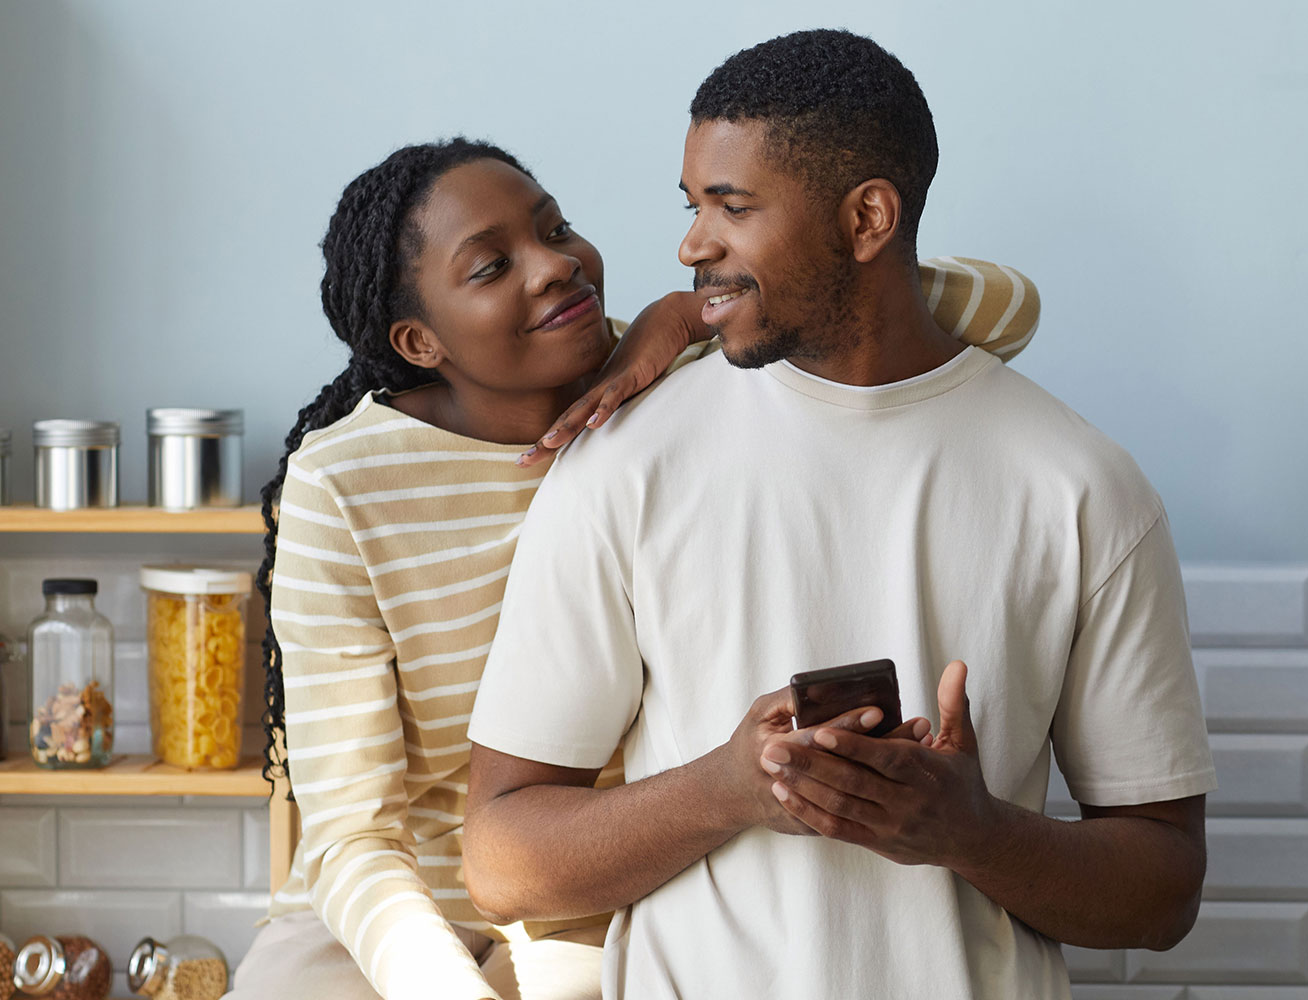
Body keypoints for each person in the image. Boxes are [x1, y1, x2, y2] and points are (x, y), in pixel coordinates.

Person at [463, 29, 1214, 999]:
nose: (692, 246)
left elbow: (1162, 892)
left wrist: (967, 831)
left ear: (866, 218)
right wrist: (726, 789)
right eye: (692, 207)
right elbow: (501, 860)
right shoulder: (622, 462)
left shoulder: (1081, 487)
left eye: (730, 208)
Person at [230, 136, 1040, 1000]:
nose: (556, 266)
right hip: (384, 924)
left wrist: (690, 316)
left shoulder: (681, 377)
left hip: (593, 899)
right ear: (418, 339)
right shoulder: (347, 482)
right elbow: (354, 838)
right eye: (492, 265)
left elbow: (1007, 306)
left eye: (558, 228)